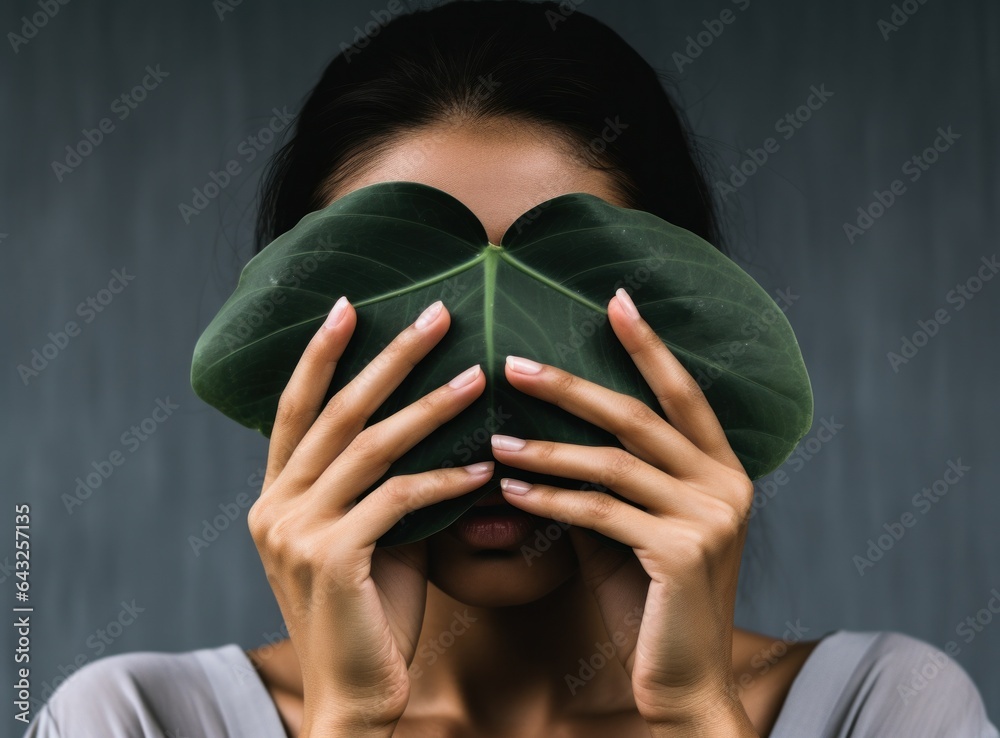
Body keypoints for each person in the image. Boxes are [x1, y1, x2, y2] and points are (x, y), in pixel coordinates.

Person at [24, 2, 998, 736]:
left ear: (679, 331)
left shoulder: (886, 708)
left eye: (558, 302)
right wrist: (347, 719)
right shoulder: (133, 718)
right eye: (413, 319)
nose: (489, 403)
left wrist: (695, 712)